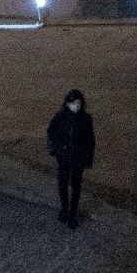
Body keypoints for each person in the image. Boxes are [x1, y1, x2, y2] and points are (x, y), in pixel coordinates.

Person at [47, 89, 95, 228]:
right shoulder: (60, 117)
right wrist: (59, 147)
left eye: (78, 104)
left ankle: (72, 213)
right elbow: (51, 132)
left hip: (77, 159)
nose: (76, 107)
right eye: (73, 104)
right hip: (63, 157)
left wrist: (88, 159)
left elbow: (90, 141)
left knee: (75, 186)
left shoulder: (86, 119)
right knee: (62, 185)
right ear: (68, 104)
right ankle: (64, 209)